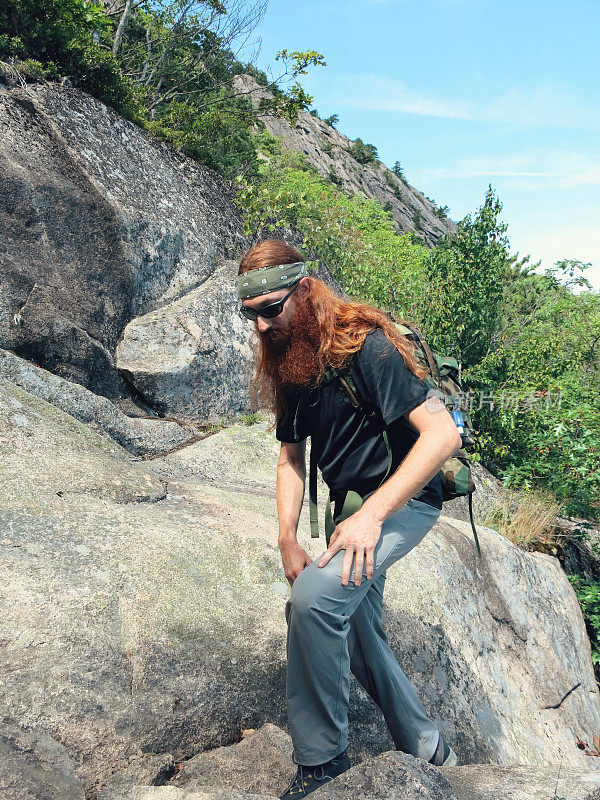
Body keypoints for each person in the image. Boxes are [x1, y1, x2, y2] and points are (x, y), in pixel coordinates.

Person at [237, 240, 460, 798]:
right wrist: (286, 536)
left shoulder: (368, 347)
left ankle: (323, 764)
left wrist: (372, 517)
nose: (262, 325)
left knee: (313, 601)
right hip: (354, 513)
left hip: (403, 502)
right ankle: (430, 746)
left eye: (272, 309)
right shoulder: (290, 358)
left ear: (305, 292)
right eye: (251, 314)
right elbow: (290, 455)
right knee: (356, 635)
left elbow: (443, 434)